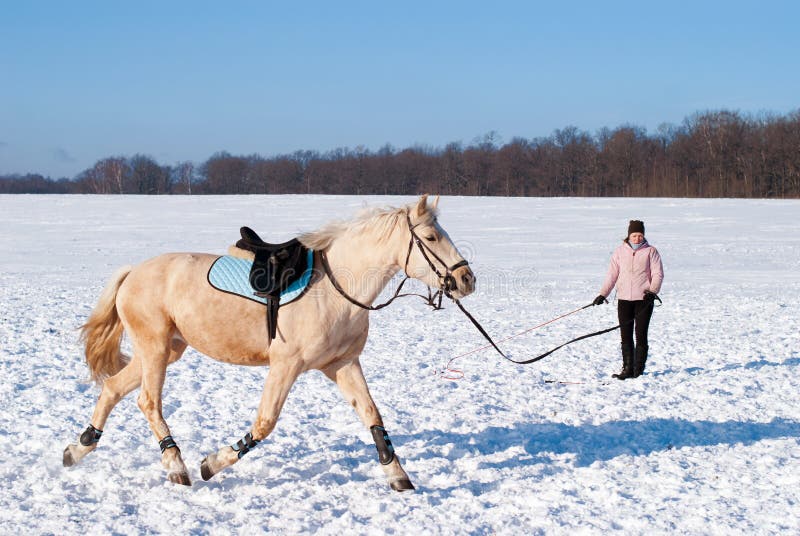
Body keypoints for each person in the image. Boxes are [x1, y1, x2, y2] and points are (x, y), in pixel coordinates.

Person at [593, 220, 663, 380]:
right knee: (625, 335)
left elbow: (658, 273)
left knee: (640, 334)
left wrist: (653, 291)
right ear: (628, 235)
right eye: (634, 235)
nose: (637, 238)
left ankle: (638, 370)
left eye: (640, 235)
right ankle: (627, 369)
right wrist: (603, 294)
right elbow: (612, 275)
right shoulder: (619, 252)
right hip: (624, 299)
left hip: (644, 299)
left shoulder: (651, 251)